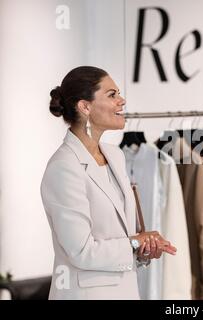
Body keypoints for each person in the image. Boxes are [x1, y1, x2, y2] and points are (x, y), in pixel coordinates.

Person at [40, 66, 176, 300]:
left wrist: (143, 249)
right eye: (112, 95)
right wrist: (135, 242)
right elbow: (81, 251)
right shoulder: (64, 167)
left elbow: (119, 235)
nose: (121, 101)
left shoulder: (115, 156)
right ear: (85, 107)